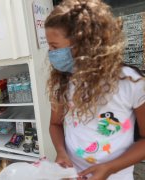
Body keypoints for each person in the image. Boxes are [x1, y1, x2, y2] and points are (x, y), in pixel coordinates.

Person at [45, 0, 145, 179]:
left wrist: (110, 168)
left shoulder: (131, 83)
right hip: (74, 174)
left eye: (54, 47)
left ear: (84, 45)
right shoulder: (63, 81)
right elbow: (55, 124)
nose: (51, 53)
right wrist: (61, 152)